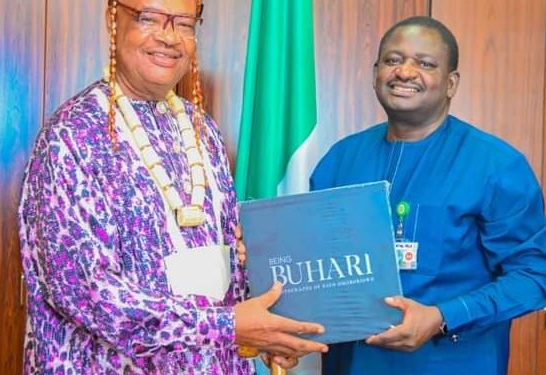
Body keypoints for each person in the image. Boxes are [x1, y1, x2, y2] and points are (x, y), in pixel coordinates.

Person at [18, 0, 327, 373]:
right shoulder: (72, 137)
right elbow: (87, 293)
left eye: (184, 23)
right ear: (113, 19)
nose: (168, 37)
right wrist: (229, 326)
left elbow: (228, 266)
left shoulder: (203, 132)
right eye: (149, 18)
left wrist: (265, 330)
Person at [310, 16, 546, 374]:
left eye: (425, 64)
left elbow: (534, 278)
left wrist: (443, 317)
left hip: (454, 361)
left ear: (450, 83)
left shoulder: (497, 165)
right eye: (393, 60)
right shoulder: (339, 160)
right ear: (375, 71)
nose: (405, 72)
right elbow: (313, 265)